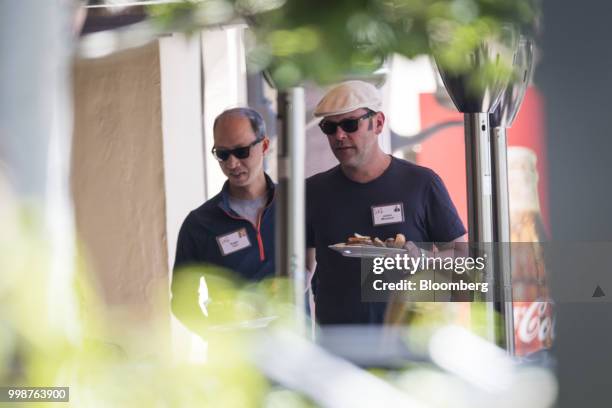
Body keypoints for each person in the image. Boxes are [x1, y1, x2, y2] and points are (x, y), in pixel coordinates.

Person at [306, 80, 467, 325]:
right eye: (330, 127)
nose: (339, 135)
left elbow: (463, 258)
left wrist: (424, 259)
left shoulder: (421, 183)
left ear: (378, 123)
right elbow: (301, 270)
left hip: (408, 340)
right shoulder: (314, 191)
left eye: (350, 124)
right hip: (339, 344)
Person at [171, 107, 276, 333]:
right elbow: (182, 301)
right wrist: (215, 338)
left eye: (241, 151)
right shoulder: (199, 223)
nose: (232, 164)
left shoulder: (295, 206)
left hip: (296, 357)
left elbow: (325, 278)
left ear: (264, 146)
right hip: (236, 364)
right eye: (222, 154)